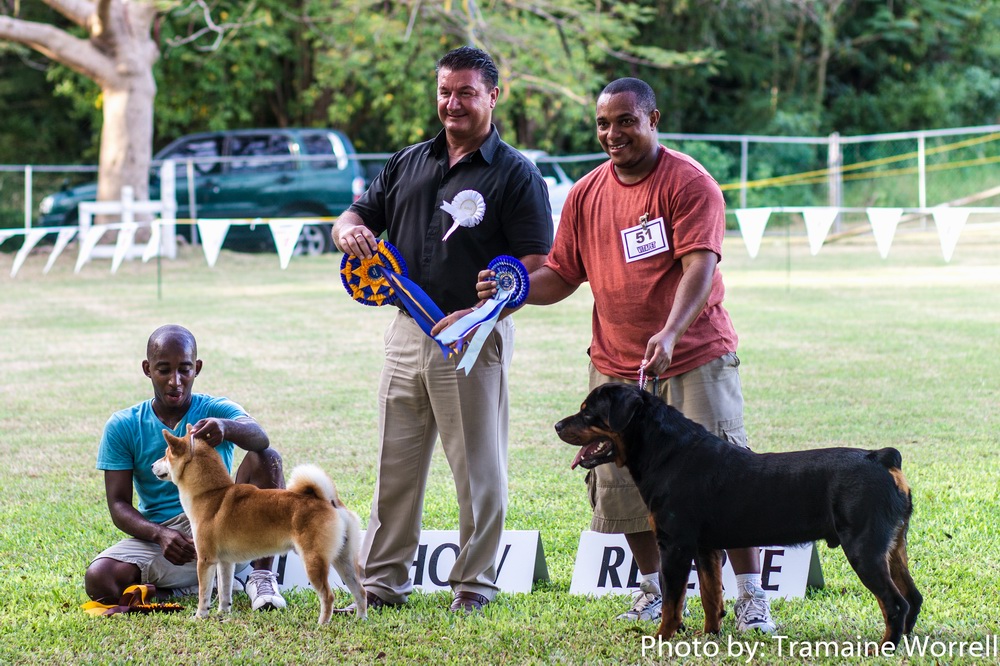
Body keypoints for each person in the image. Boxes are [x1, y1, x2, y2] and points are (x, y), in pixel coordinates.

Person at [477, 77, 776, 632]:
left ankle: (752, 597)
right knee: (619, 482)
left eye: (625, 121)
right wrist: (509, 294)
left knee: (725, 479)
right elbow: (563, 273)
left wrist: (668, 333)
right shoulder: (587, 193)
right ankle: (653, 591)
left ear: (653, 119)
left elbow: (700, 266)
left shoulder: (689, 183)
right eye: (603, 124)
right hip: (614, 367)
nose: (612, 134)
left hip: (693, 357)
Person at [331, 46, 552, 613]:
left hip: (474, 337)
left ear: (493, 96)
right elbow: (358, 215)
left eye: (466, 93)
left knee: (479, 472)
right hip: (405, 335)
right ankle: (382, 582)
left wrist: (489, 307)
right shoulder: (408, 161)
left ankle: (474, 585)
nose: (452, 103)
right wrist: (346, 230)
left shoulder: (517, 173)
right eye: (445, 92)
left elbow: (538, 262)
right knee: (394, 465)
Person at [84, 324, 287, 611]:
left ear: (197, 368)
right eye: (164, 370)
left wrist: (226, 427)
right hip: (164, 537)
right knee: (100, 580)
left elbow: (260, 437)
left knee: (266, 456)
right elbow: (118, 505)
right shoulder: (123, 424)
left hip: (223, 525)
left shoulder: (216, 408)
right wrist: (160, 535)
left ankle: (262, 576)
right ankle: (190, 589)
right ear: (147, 368)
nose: (175, 381)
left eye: (185, 369)